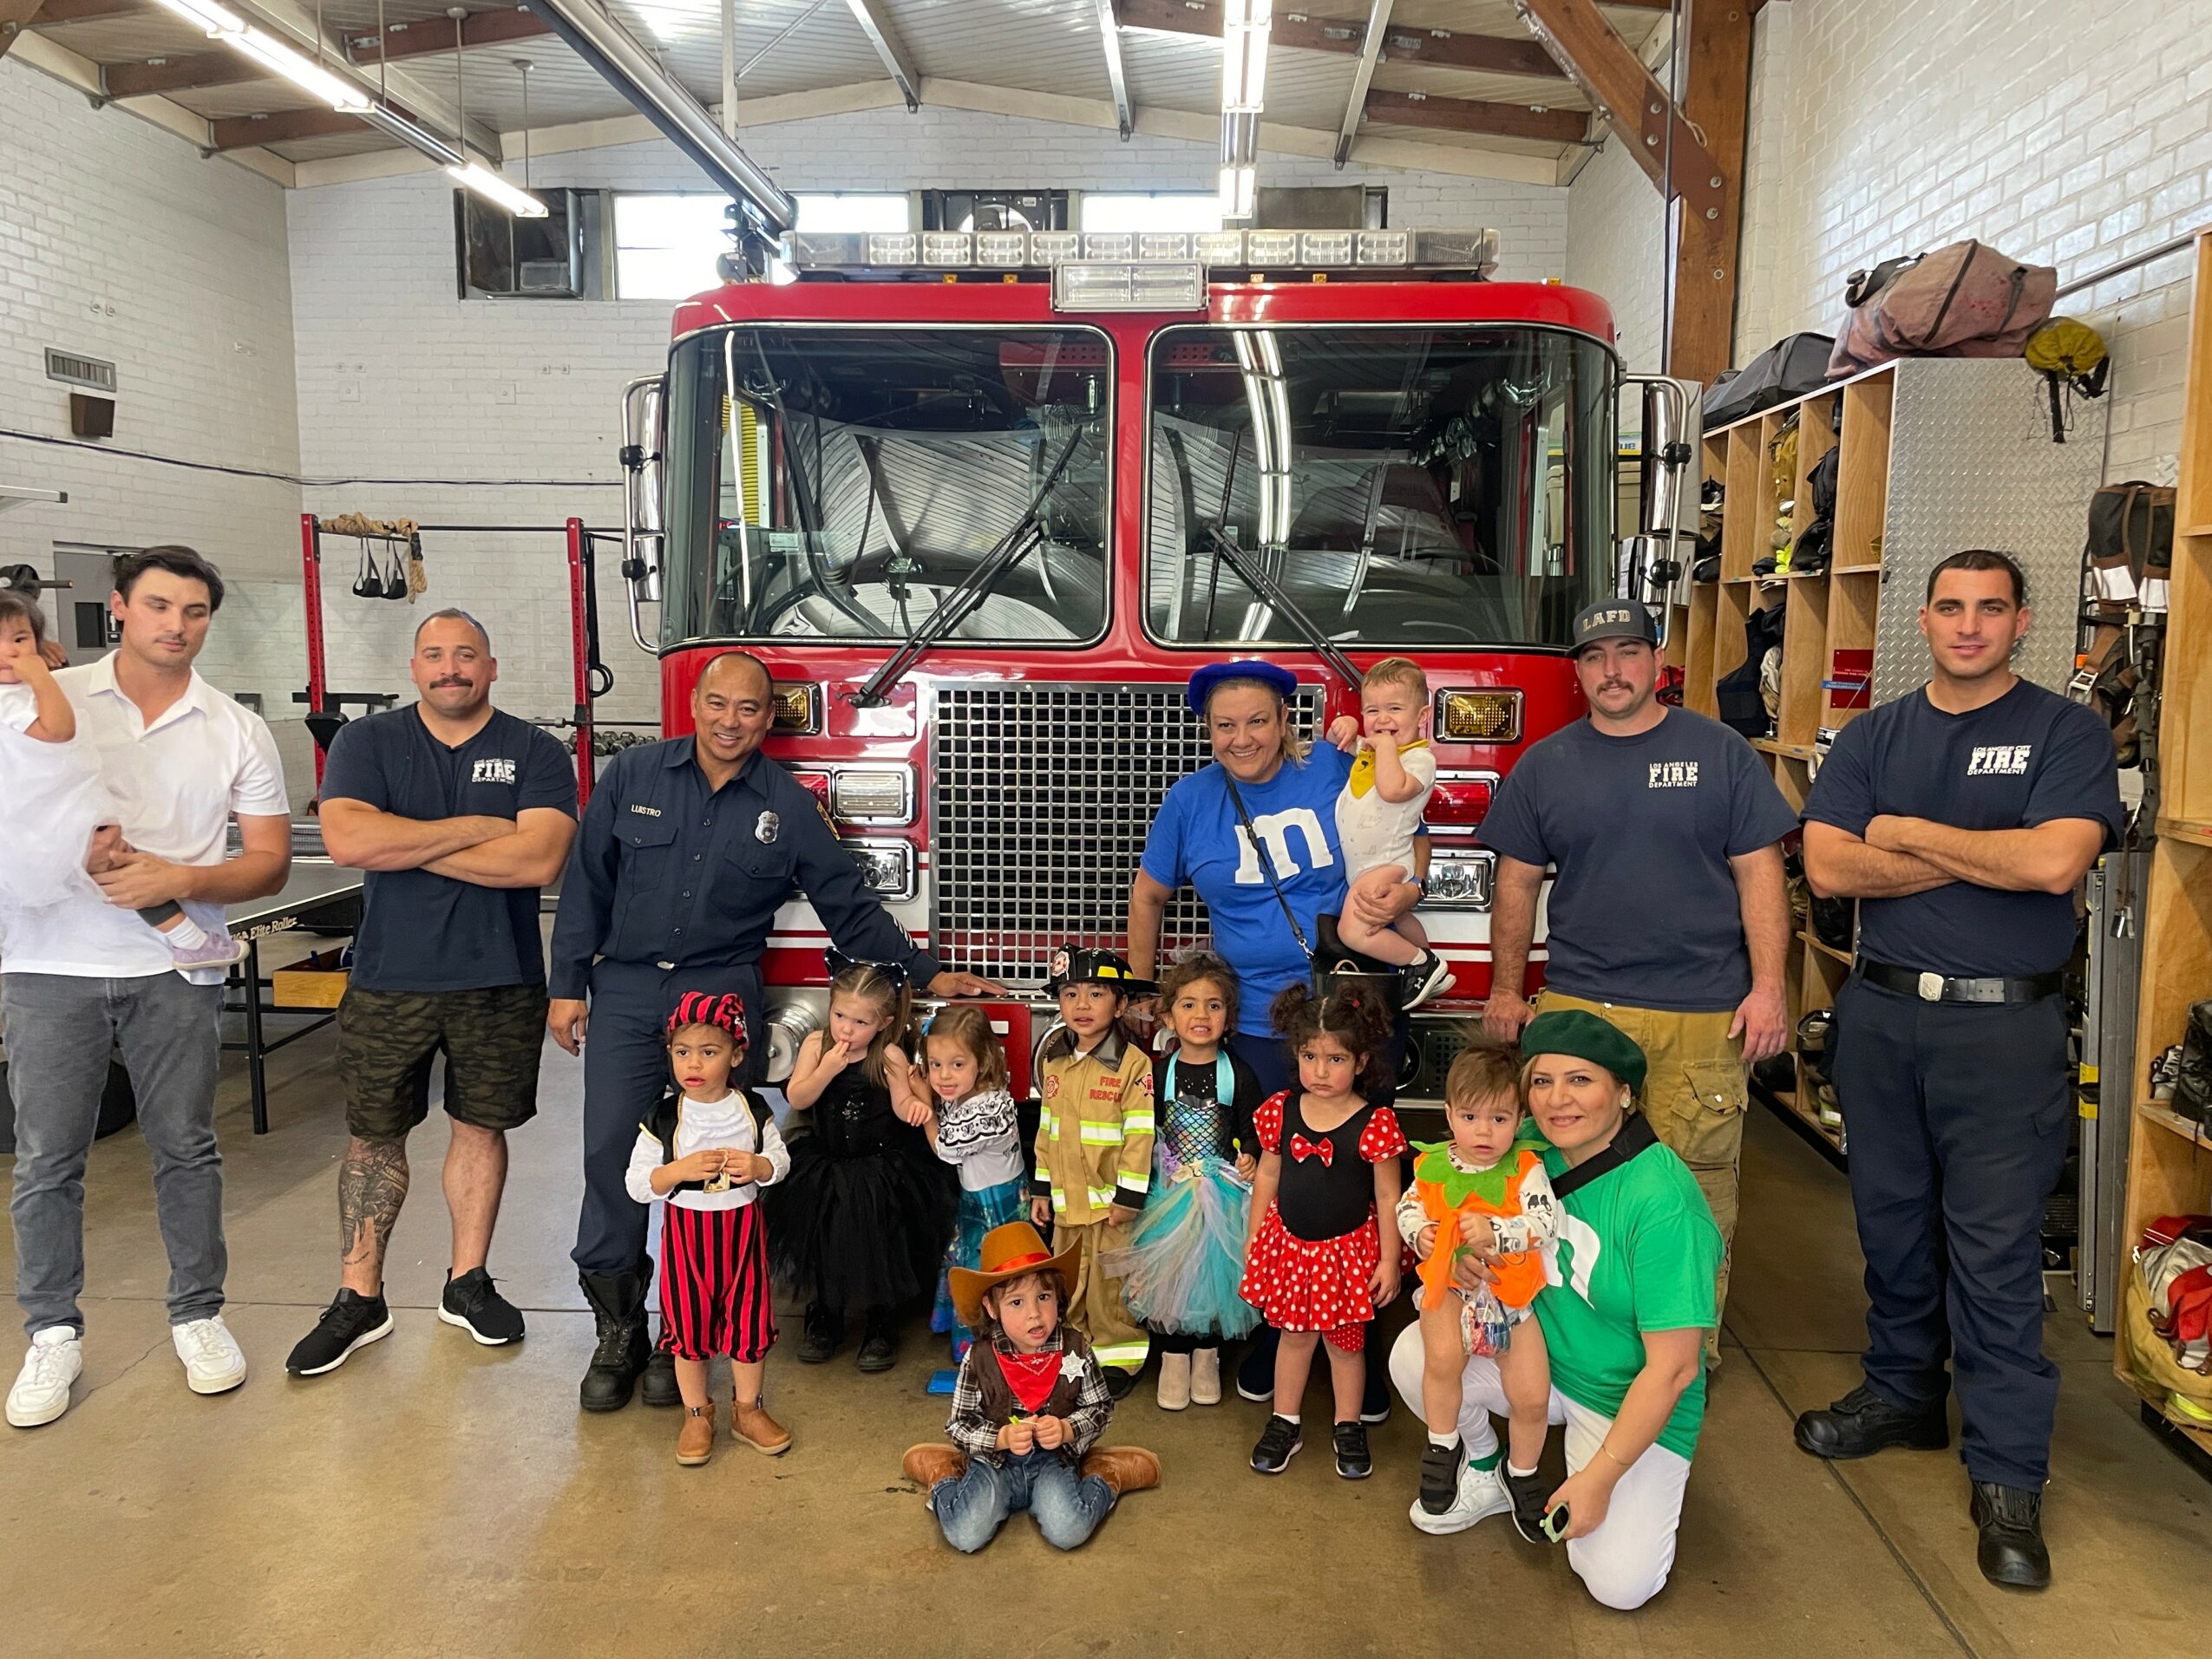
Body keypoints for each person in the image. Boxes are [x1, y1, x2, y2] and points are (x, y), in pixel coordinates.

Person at [546, 648, 998, 1414]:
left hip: (718, 995)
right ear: (696, 702)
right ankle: (618, 1326)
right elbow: (587, 881)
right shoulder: (633, 777)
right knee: (612, 1151)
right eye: (719, 703)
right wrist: (567, 987)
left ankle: (681, 1333)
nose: (731, 720)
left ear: (767, 717)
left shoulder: (786, 805)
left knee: (722, 1157)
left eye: (749, 708)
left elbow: (848, 905)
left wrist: (924, 973)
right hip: (625, 990)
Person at [1794, 550, 2120, 1591]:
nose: (1969, 625)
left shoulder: (2065, 732)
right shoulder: (1876, 733)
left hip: (2002, 1032)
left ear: (2021, 622)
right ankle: (1902, 1393)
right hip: (1883, 1014)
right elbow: (1831, 865)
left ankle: (2009, 1472)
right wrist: (1985, 844)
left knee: (1993, 1252)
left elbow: (2055, 863)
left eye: (1990, 608)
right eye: (1951, 607)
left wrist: (1907, 833)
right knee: (1891, 1223)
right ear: (1925, 618)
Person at [4, 547, 291, 1430]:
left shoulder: (236, 728)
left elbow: (270, 862)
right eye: (160, 604)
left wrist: (179, 874)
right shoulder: (45, 695)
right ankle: (52, 1329)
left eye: (196, 609)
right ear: (120, 607)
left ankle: (198, 1312)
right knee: (49, 1159)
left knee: (187, 1147)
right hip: (51, 966)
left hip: (176, 968)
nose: (177, 622)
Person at [1480, 597, 1795, 1366]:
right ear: (1579, 672)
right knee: (1569, 1183)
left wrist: (1770, 987)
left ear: (1658, 662)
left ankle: (1685, 1358)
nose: (1612, 670)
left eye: (1628, 652)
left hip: (1703, 1014)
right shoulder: (1546, 765)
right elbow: (1515, 885)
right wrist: (1505, 987)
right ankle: (1568, 1347)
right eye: (1594, 657)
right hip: (1582, 1008)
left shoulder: (1720, 752)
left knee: (1692, 1191)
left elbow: (1761, 872)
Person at [285, 611, 578, 1377]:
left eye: (466, 655)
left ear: (492, 665)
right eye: (435, 655)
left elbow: (538, 860)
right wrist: (481, 828)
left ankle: (467, 1281)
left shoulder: (535, 750)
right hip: (389, 978)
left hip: (499, 977)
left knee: (481, 1129)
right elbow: (349, 842)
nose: (451, 668)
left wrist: (408, 839)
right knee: (373, 1137)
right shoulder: (366, 742)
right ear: (414, 666)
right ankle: (360, 1298)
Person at [1128, 657, 1423, 1417]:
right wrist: (1142, 993)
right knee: (1280, 1177)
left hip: (1351, 1005)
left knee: (1362, 1179)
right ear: (1208, 731)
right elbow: (1150, 892)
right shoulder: (1192, 800)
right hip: (1258, 1025)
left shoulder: (1334, 764)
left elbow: (1407, 832)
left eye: (1257, 720)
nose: (1242, 737)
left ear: (1285, 720)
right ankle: (1274, 1333)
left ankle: (1360, 1334)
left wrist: (1410, 889)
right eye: (1225, 725)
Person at [1390, 1009, 1718, 1612]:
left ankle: (1614, 1467)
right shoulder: (1522, 1149)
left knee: (1619, 1584)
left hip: (1622, 1393)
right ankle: (1485, 1469)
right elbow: (1444, 1197)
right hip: (1535, 1355)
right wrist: (1454, 1253)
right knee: (1416, 1354)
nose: (1557, 1100)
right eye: (1541, 1081)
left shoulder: (1663, 1200)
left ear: (1624, 1091)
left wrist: (1599, 1478)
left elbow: (1674, 1369)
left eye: (1580, 1080)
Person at [0, 591, 237, 970]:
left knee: (119, 865)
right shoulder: (12, 699)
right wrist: (42, 676)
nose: (9, 653)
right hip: (50, 816)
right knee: (118, 865)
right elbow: (60, 729)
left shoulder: (18, 691)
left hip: (52, 809)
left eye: (19, 639)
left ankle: (190, 941)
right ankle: (190, 940)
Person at [900, 1221, 1160, 1553]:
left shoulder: (1075, 1348)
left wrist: (1068, 1429)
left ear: (1058, 1297)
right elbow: (959, 1424)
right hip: (994, 1463)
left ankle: (1105, 1476)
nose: (1035, 1315)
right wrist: (999, 1438)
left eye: (1043, 1297)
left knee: (1070, 1532)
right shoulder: (979, 1358)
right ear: (992, 1309)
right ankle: (944, 1475)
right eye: (1016, 1303)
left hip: (1054, 1460)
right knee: (965, 1536)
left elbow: (1100, 1408)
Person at [1242, 983, 1408, 1481]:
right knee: (1294, 1338)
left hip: (1348, 1253)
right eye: (1310, 1056)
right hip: (1291, 1247)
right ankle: (1285, 1421)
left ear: (1360, 1062)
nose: (1320, 1070)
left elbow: (1387, 1198)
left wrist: (1387, 1260)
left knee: (1346, 1344)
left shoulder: (1375, 1123)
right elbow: (1269, 1176)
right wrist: (1254, 1238)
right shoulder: (1281, 1111)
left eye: (1335, 1059)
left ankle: (1348, 1425)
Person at [763, 953, 955, 1372]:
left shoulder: (888, 1056)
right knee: (826, 1242)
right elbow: (797, 1098)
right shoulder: (817, 1045)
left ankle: (880, 1320)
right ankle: (826, 1314)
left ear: (884, 1023)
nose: (846, 1029)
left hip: (880, 1168)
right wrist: (827, 1069)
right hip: (826, 1164)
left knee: (879, 1242)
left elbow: (903, 1103)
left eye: (860, 1022)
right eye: (840, 1015)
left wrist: (918, 1110)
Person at [625, 991, 791, 1466]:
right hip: (687, 1239)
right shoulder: (663, 1118)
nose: (692, 1064)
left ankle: (747, 1410)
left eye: (709, 1052)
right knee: (688, 1325)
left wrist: (759, 1166)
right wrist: (679, 1170)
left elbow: (780, 1160)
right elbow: (639, 1184)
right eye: (682, 1052)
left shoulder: (752, 1110)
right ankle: (697, 1413)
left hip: (742, 1234)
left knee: (750, 1320)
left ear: (737, 1055)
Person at [1399, 1044, 1556, 1525]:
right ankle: (1443, 1446)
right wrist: (1420, 1235)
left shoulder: (1525, 1168)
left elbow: (1545, 1222)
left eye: (1500, 1118)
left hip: (1512, 1298)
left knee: (1531, 1394)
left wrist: (1499, 1232)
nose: (1484, 1131)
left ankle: (1523, 1471)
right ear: (1449, 1115)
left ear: (1519, 1118)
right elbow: (1408, 1207)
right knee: (1443, 1360)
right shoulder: (1431, 1165)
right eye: (1470, 1116)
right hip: (1449, 1288)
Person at [1101, 950, 1263, 1411]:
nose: (1201, 1015)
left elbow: (1252, 1127)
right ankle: (1173, 1357)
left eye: (1214, 1005)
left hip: (1220, 1193)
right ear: (1168, 1014)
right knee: (1170, 1278)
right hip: (1169, 1192)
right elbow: (1141, 1127)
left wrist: (1249, 1153)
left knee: (1211, 1280)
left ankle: (1207, 1356)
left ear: (1229, 1016)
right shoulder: (1158, 1073)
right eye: (1189, 1005)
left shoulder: (1238, 1073)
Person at [1030, 946, 1155, 1394]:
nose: (1081, 1006)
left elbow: (1140, 1136)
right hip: (1067, 1204)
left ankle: (1119, 1354)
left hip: (1109, 1207)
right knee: (1068, 1280)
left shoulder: (1133, 1064)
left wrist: (1128, 1198)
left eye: (1096, 994)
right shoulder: (1055, 1061)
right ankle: (1074, 1354)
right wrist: (1042, 1189)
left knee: (1110, 1285)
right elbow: (1047, 1130)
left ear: (1120, 1005)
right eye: (1070, 994)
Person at [1323, 656, 1450, 1007]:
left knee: (1353, 932)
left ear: (1422, 717)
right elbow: (1346, 742)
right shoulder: (1376, 749)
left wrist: (1385, 746)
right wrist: (1346, 725)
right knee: (1399, 917)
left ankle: (1421, 964)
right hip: (1366, 865)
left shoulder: (1419, 759)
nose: (1382, 720)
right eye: (1372, 711)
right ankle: (1428, 959)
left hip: (1388, 862)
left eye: (1395, 708)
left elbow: (1394, 790)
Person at [917, 1004, 1027, 1363]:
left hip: (998, 1206)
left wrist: (925, 1109)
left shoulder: (990, 1107)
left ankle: (993, 1347)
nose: (943, 1076)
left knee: (991, 1272)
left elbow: (946, 1149)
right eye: (935, 1064)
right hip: (976, 1202)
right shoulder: (964, 1095)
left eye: (957, 1064)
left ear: (983, 1060)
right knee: (969, 1262)